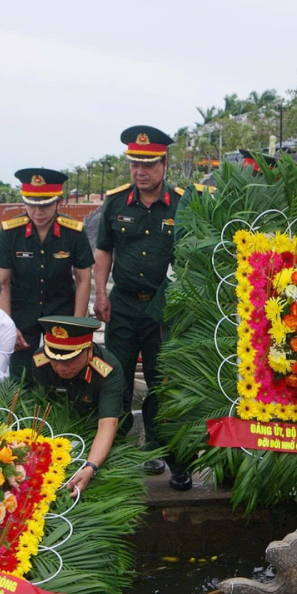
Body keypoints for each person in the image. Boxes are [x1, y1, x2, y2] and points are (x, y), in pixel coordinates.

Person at [94, 125, 192, 490]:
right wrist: (100, 294)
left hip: (163, 311)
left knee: (162, 382)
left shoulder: (184, 203)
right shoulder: (116, 202)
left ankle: (169, 453)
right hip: (121, 307)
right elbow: (104, 250)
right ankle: (117, 456)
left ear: (164, 164)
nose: (140, 172)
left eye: (148, 165)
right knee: (115, 378)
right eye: (135, 164)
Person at [0, 168, 93, 379]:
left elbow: (84, 280)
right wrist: (8, 326)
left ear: (59, 202)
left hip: (61, 310)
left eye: (45, 205)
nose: (38, 212)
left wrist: (76, 325)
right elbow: (1, 282)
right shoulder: (10, 232)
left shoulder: (74, 232)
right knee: (21, 376)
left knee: (62, 372)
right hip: (21, 312)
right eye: (32, 204)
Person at [31, 316, 125, 496]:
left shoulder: (108, 371)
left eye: (69, 360)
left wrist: (90, 467)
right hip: (62, 423)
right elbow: (44, 405)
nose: (61, 367)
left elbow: (108, 424)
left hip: (96, 425)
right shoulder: (40, 361)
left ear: (89, 351)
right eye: (54, 359)